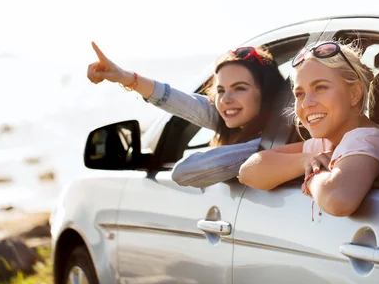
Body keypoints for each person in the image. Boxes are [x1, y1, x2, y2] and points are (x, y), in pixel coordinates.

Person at [87, 41, 286, 187]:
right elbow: (181, 102)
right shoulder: (238, 119)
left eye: (240, 88)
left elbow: (183, 172)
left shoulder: (272, 147)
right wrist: (125, 78)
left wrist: (255, 153)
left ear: (267, 94)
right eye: (221, 90)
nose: (225, 100)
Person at [238, 40, 379, 217]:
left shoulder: (367, 139)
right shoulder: (324, 144)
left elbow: (337, 200)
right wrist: (306, 160)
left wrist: (313, 175)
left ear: (354, 93)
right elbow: (247, 171)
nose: (306, 103)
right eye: (299, 94)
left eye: (320, 88)